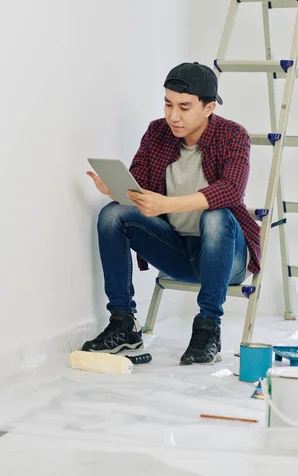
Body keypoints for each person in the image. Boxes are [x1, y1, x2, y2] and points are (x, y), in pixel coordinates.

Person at [82, 62, 261, 364]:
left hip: (226, 258)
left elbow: (231, 190)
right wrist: (114, 190)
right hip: (176, 251)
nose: (173, 116)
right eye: (168, 104)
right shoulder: (157, 133)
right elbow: (138, 188)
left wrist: (167, 205)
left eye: (184, 107)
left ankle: (207, 329)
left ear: (209, 108)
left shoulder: (232, 135)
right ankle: (124, 323)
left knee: (216, 215)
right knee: (113, 214)